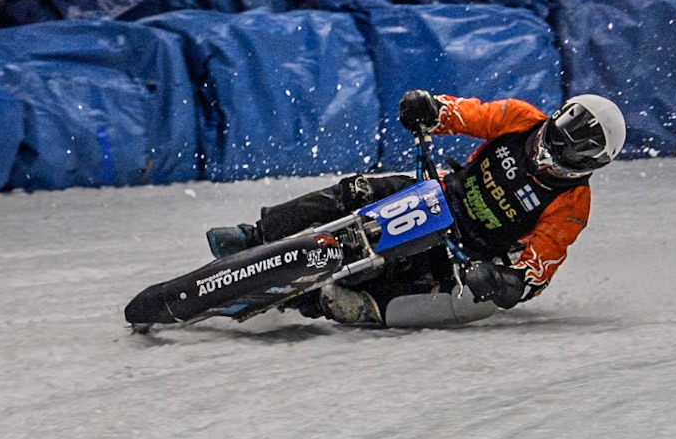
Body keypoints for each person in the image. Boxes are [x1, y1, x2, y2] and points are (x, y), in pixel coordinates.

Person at [202, 91, 625, 327]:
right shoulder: (519, 118)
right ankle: (258, 235)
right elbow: (465, 114)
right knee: (358, 189)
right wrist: (430, 108)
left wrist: (502, 280)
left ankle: (337, 304)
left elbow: (538, 269)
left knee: (429, 291)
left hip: (464, 251)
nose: (544, 155)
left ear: (587, 165)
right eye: (551, 138)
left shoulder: (572, 205)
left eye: (561, 155)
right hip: (437, 192)